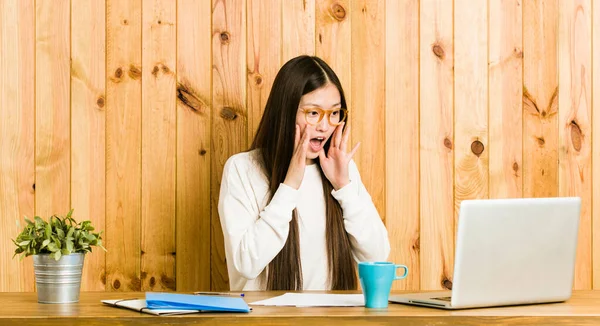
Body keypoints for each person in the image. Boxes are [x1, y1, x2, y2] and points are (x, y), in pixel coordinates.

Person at [218, 55, 390, 291]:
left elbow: (377, 256)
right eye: (313, 113)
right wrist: (289, 185)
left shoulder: (342, 170)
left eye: (334, 113)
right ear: (286, 112)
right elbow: (246, 264)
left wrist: (344, 187)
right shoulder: (242, 169)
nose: (324, 125)